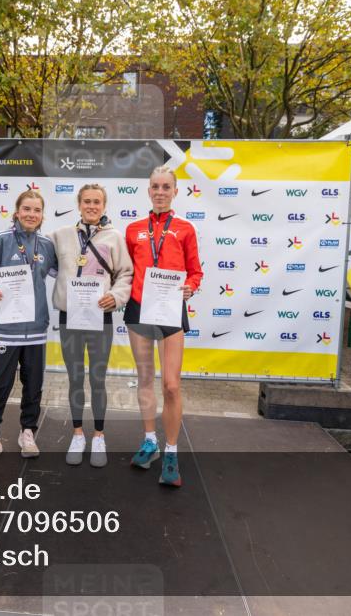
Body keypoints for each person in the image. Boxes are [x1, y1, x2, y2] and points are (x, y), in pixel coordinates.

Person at [124, 166, 203, 487]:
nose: (160, 191)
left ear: (175, 191)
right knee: (145, 379)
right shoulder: (133, 229)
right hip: (140, 309)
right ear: (148, 190)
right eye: (155, 186)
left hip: (171, 310)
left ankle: (171, 451)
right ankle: (149, 442)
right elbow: (125, 270)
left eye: (166, 187)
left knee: (171, 384)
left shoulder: (185, 229)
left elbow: (195, 272)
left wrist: (190, 288)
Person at [0, 189, 57, 467]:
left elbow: (67, 271)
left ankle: (28, 432)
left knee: (33, 385)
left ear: (42, 214)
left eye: (37, 210)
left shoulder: (46, 244)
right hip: (6, 329)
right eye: (27, 209)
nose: (32, 214)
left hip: (35, 329)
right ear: (17, 211)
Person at [50, 184, 133, 467]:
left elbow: (126, 274)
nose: (92, 206)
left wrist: (117, 295)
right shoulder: (61, 235)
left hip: (101, 316)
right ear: (79, 203)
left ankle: (98, 435)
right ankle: (77, 434)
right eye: (87, 201)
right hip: (70, 316)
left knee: (97, 378)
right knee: (75, 377)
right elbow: (37, 258)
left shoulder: (114, 237)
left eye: (97, 202)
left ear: (104, 205)